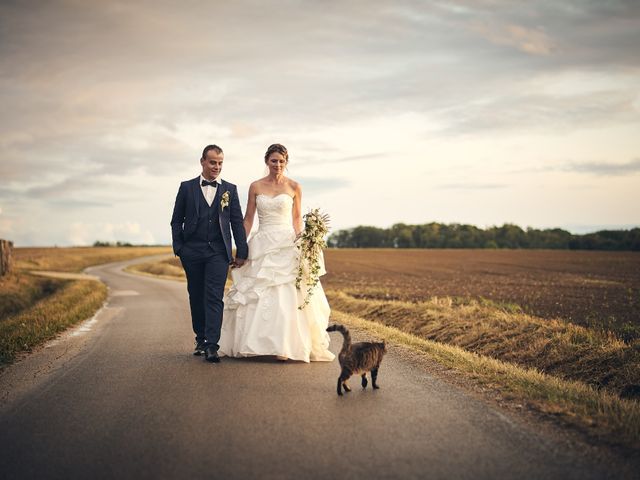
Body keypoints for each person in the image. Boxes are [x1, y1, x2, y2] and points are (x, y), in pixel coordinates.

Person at [218, 144, 334, 362]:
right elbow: (248, 219)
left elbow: (297, 218)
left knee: (287, 294)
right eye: (273, 161)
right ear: (267, 162)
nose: (277, 165)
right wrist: (241, 247)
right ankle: (254, 344)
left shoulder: (294, 187)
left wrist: (304, 242)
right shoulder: (255, 186)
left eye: (281, 161)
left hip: (286, 243)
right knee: (256, 292)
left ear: (286, 162)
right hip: (262, 242)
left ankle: (285, 346)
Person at [170, 144, 248, 363]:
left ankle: (212, 345)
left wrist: (241, 251)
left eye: (220, 162)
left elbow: (236, 222)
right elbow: (176, 220)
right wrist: (179, 248)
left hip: (218, 252)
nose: (217, 166)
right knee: (196, 295)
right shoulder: (186, 187)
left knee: (214, 296)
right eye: (213, 162)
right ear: (202, 161)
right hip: (191, 251)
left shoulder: (229, 190)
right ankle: (201, 338)